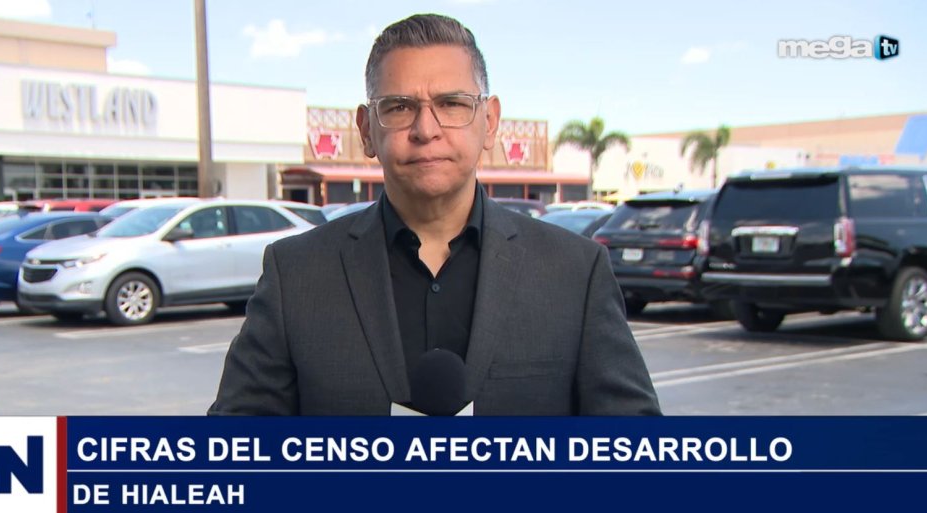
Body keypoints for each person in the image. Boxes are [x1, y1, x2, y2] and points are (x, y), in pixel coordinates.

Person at [209, 13, 660, 416]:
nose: (426, 130)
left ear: (490, 122)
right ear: (366, 130)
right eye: (399, 107)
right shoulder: (296, 274)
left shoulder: (575, 272)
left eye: (452, 104)